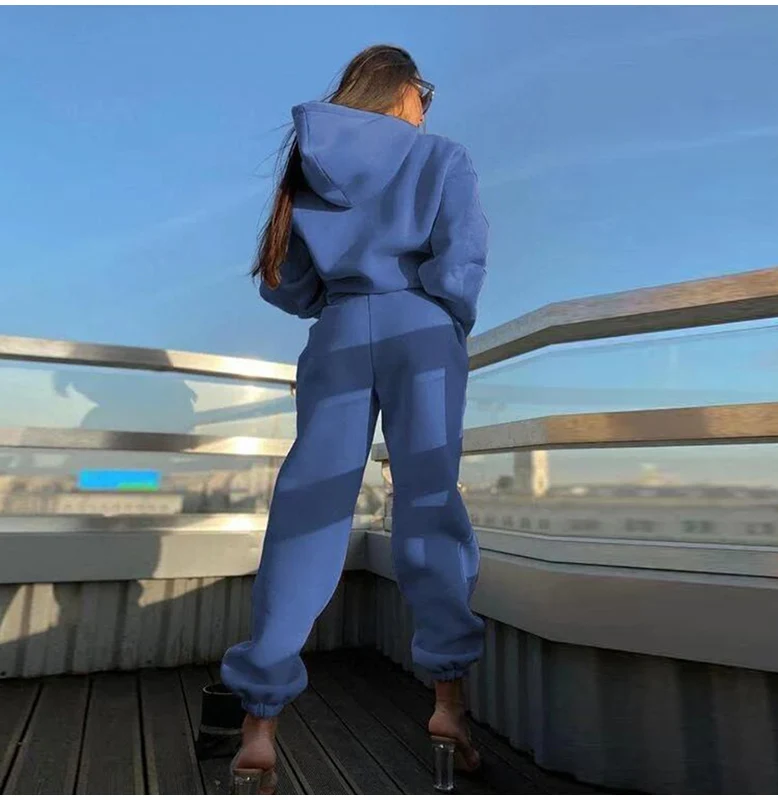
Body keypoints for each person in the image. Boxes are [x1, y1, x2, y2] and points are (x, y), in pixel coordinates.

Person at [221, 44, 489, 793]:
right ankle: (447, 707)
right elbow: (461, 260)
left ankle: (260, 726)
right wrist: (443, 314)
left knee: (307, 509)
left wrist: (343, 298)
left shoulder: (311, 164)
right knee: (429, 502)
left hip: (337, 335)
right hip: (421, 330)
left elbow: (284, 280)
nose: (425, 107)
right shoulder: (442, 156)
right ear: (402, 89)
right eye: (423, 93)